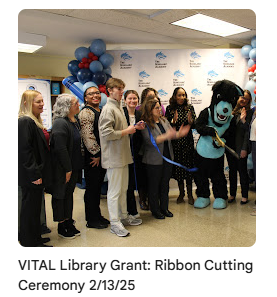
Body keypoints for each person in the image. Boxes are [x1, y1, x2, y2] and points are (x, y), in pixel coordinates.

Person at [99, 78, 145, 237]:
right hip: (114, 158)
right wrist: (128, 131)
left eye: (122, 88)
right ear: (109, 90)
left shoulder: (119, 107)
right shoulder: (108, 109)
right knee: (114, 192)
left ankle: (124, 216)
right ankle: (114, 223)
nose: (121, 91)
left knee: (124, 189)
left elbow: (124, 130)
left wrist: (134, 128)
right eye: (118, 88)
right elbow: (107, 134)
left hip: (124, 156)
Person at [141, 97, 191, 219]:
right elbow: (151, 141)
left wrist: (180, 133)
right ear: (149, 109)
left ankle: (164, 208)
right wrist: (166, 135)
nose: (160, 109)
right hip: (153, 160)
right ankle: (155, 210)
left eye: (160, 107)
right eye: (156, 108)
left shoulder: (164, 120)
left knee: (165, 185)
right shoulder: (145, 123)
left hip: (167, 158)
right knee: (154, 186)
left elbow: (171, 135)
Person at [18, 90, 52, 247]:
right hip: (32, 175)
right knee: (29, 209)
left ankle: (35, 237)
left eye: (42, 101)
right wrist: (34, 174)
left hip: (37, 172)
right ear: (26, 103)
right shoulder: (25, 121)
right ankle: (28, 241)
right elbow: (25, 151)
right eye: (38, 102)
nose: (42, 104)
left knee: (35, 208)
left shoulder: (34, 121)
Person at [50, 94, 83, 239]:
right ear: (67, 107)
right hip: (62, 168)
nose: (79, 105)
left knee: (69, 195)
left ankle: (68, 221)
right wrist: (67, 169)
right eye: (76, 103)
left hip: (73, 166)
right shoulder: (60, 123)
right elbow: (60, 148)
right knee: (60, 196)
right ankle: (62, 225)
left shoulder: (74, 121)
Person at [78, 86, 109, 229]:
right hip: (93, 158)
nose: (95, 95)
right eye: (91, 94)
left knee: (96, 189)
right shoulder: (86, 112)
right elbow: (87, 135)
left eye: (97, 93)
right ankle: (92, 220)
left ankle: (97, 215)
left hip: (101, 156)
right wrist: (95, 154)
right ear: (85, 98)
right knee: (92, 189)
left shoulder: (100, 111)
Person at [165, 87, 197, 205]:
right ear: (174, 96)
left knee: (188, 169)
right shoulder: (170, 109)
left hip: (188, 144)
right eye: (179, 95)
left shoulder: (189, 108)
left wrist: (191, 122)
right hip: (176, 145)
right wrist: (173, 121)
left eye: (184, 95)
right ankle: (181, 194)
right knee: (179, 170)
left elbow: (195, 125)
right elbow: (166, 126)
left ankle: (190, 195)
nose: (182, 97)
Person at [225, 90, 254, 205]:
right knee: (232, 172)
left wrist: (244, 149)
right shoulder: (232, 111)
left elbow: (249, 132)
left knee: (242, 172)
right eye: (241, 97)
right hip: (230, 147)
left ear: (249, 100)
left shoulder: (250, 112)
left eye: (246, 98)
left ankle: (245, 196)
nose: (243, 100)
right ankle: (232, 194)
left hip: (241, 147)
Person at [123, 90, 146, 217]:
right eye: (130, 98)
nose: (132, 101)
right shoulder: (121, 113)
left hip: (137, 152)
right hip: (124, 152)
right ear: (125, 100)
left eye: (135, 98)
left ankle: (136, 207)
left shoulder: (140, 114)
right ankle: (128, 209)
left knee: (137, 179)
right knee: (127, 183)